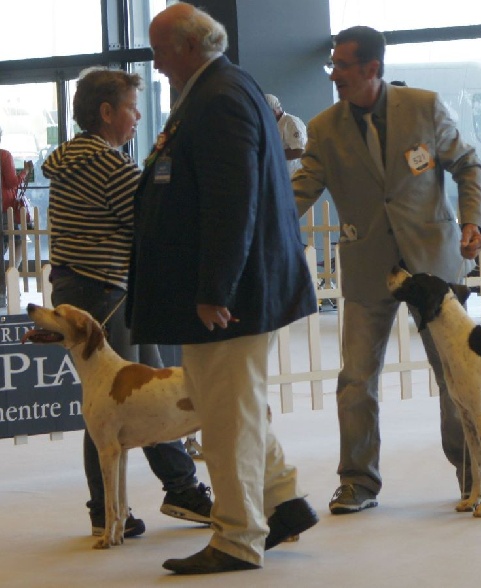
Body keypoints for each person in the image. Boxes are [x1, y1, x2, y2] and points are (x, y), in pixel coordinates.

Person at [126, 3, 318, 575]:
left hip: (227, 295)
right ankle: (281, 502)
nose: (156, 65)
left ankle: (236, 539)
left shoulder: (220, 98)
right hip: (229, 289)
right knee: (231, 404)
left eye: (159, 51)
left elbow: (232, 205)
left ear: (187, 46)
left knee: (226, 416)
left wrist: (215, 289)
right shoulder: (220, 89)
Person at [292, 25, 481, 514]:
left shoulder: (425, 107)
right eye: (333, 63)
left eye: (342, 64)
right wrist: (257, 226)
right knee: (355, 379)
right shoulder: (324, 128)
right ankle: (357, 481)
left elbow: (468, 165)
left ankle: (476, 474)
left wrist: (472, 220)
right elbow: (299, 193)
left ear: (372, 68)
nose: (334, 73)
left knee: (458, 375)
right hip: (369, 268)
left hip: (434, 264)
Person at [42, 67, 213, 539]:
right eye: (132, 107)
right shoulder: (108, 164)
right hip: (104, 293)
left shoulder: (72, 161)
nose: (138, 116)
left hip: (83, 289)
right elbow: (149, 223)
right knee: (121, 403)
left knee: (122, 398)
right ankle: (168, 491)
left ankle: (143, 496)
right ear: (106, 112)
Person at [1, 127, 33, 253]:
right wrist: (25, 172)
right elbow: (11, 183)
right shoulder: (4, 155)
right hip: (4, 206)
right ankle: (10, 272)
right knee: (16, 241)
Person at [265, 93, 307, 176]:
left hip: (295, 177)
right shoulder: (272, 125)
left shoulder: (291, 122)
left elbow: (300, 151)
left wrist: (272, 154)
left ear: (274, 110)